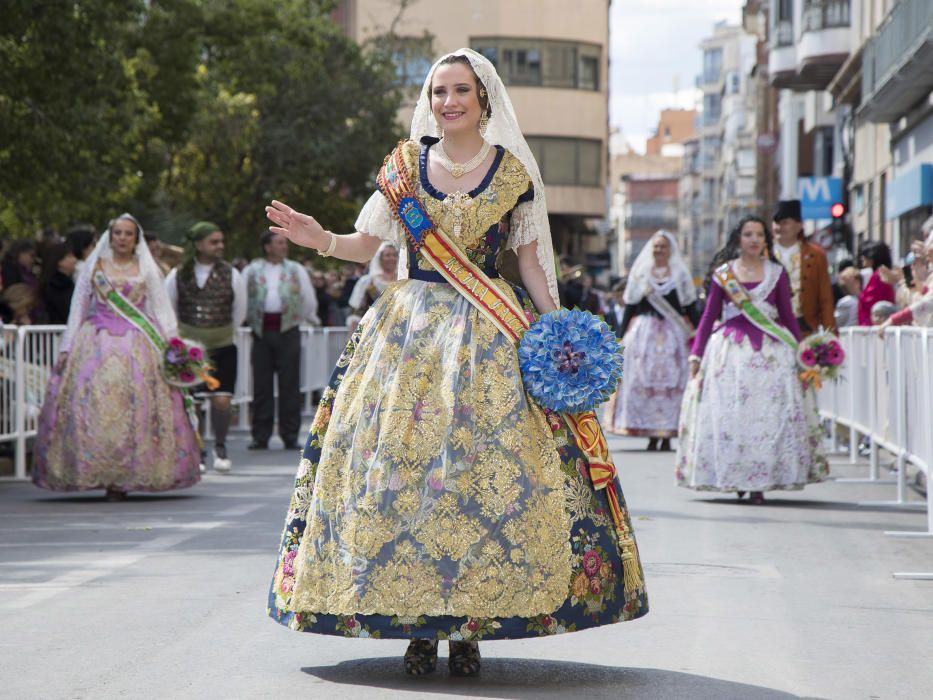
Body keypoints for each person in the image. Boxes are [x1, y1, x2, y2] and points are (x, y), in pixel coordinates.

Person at [263, 49, 647, 677]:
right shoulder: (404, 168)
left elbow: (528, 265)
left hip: (489, 333)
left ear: (483, 99)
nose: (448, 101)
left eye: (460, 90)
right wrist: (320, 238)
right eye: (438, 91)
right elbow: (367, 245)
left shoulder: (513, 173)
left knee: (479, 475)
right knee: (402, 474)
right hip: (407, 333)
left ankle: (471, 625)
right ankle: (415, 625)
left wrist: (555, 332)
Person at [33, 214, 201, 499]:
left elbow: (161, 309)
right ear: (110, 237)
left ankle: (131, 473)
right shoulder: (93, 268)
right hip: (95, 342)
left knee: (139, 405)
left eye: (128, 234)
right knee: (93, 405)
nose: (122, 238)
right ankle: (99, 472)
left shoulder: (147, 269)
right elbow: (78, 307)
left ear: (136, 239)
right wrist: (66, 347)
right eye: (118, 233)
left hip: (138, 345)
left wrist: (175, 347)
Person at [676, 215, 827, 505]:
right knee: (730, 416)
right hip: (729, 354)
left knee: (768, 418)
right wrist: (696, 353)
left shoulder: (776, 273)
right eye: (748, 234)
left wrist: (802, 352)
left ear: (765, 240)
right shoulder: (724, 274)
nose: (754, 239)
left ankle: (759, 482)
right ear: (738, 239)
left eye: (759, 234)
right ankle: (735, 476)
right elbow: (709, 316)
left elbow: (786, 315)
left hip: (771, 355)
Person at [165, 222, 247, 473]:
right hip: (190, 348)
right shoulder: (178, 274)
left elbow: (240, 310)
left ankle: (220, 447)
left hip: (223, 344)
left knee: (222, 400)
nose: (220, 246)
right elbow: (169, 309)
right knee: (195, 402)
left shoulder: (231, 274)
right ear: (198, 244)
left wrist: (221, 332)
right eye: (214, 242)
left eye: (221, 241)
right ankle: (197, 451)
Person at [609, 231, 698, 450]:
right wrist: (620, 337)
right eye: (656, 247)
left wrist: (697, 334)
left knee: (672, 383)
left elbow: (689, 307)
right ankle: (649, 433)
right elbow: (630, 306)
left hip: (673, 336)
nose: (659, 250)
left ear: (670, 250)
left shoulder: (680, 275)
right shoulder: (641, 274)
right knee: (642, 380)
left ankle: (667, 435)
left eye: (663, 247)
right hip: (644, 334)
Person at [243, 230, 319, 451]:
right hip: (261, 331)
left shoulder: (296, 269)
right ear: (267, 246)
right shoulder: (252, 270)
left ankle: (290, 434)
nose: (284, 246)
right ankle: (261, 434)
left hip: (288, 331)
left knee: (289, 383)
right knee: (261, 384)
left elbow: (307, 299)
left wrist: (300, 319)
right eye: (279, 242)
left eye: (285, 242)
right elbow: (243, 298)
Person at [772, 199, 835, 335]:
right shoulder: (763, 254)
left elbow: (825, 297)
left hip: (804, 327)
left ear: (799, 225)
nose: (779, 227)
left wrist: (831, 334)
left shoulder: (816, 255)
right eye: (776, 223)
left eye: (784, 223)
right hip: (770, 328)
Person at [347, 242, 399, 314]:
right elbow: (355, 309)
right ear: (379, 258)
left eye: (394, 255)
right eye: (387, 255)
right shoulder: (367, 281)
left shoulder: (403, 280)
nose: (392, 258)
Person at [856, 240, 895, 326]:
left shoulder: (879, 276)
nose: (862, 258)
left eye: (865, 255)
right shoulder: (878, 274)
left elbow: (869, 301)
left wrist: (857, 292)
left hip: (875, 326)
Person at [39, 242, 77, 324]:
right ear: (59, 261)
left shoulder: (69, 283)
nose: (75, 260)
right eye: (70, 257)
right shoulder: (56, 285)